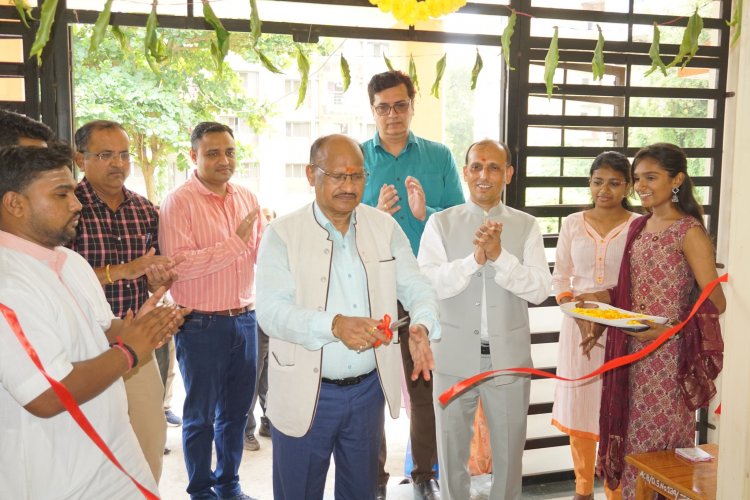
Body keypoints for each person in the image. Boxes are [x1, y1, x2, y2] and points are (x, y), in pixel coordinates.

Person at [256, 134, 440, 500]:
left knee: (361, 491)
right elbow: (271, 313)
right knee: (298, 491)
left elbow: (417, 285)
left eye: (357, 176)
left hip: (366, 392)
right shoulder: (283, 234)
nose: (348, 186)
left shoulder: (384, 227)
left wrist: (421, 322)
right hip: (307, 391)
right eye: (337, 176)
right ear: (312, 174)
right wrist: (334, 325)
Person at [0, 144, 187, 498]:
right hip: (58, 476)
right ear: (15, 204)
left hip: (113, 461)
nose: (77, 204)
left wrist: (148, 325)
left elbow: (102, 328)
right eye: (61, 194)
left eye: (73, 191)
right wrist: (129, 351)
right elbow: (46, 394)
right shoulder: (8, 285)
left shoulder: (70, 261)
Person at [576, 143, 726, 500]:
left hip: (667, 361)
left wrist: (671, 331)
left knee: (658, 451)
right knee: (633, 449)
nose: (641, 186)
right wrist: (598, 302)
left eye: (651, 178)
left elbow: (714, 302)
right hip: (633, 354)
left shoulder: (687, 231)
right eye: (638, 178)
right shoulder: (640, 226)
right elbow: (630, 289)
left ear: (676, 180)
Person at [417, 139, 552, 500]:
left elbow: (540, 289)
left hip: (508, 359)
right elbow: (427, 283)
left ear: (507, 174)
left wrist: (501, 257)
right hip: (452, 356)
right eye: (476, 166)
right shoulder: (440, 223)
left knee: (509, 456)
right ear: (464, 173)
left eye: (494, 167)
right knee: (451, 451)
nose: (483, 175)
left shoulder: (526, 225)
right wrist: (474, 261)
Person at [361, 69, 465, 500]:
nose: (392, 115)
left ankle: (424, 475)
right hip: (371, 288)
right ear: (373, 110)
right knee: (370, 387)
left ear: (412, 106)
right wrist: (372, 210)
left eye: (400, 105)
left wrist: (428, 212)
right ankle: (373, 480)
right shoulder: (356, 157)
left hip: (425, 289)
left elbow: (460, 219)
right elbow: (337, 220)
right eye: (383, 107)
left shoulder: (439, 155)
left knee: (425, 385)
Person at [69, 120, 179, 481]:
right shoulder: (66, 208)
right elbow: (57, 278)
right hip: (79, 347)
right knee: (86, 449)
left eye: (124, 155)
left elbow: (151, 276)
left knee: (149, 436)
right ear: (79, 158)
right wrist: (122, 270)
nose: (118, 164)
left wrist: (156, 278)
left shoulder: (145, 210)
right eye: (105, 155)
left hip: (138, 343)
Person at [159, 121, 263, 500]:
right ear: (194, 156)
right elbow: (179, 264)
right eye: (213, 153)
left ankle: (229, 483)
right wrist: (235, 244)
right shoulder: (179, 201)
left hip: (246, 318)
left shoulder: (246, 197)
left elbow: (262, 254)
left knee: (236, 414)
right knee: (201, 416)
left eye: (230, 152)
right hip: (201, 323)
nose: (224, 160)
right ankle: (200, 489)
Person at [550, 152, 639, 500]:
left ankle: (616, 491)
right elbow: (561, 279)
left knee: (619, 411)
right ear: (589, 182)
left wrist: (608, 318)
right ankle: (583, 489)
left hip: (622, 332)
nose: (605, 189)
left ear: (627, 186)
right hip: (577, 331)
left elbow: (637, 283)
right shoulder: (573, 222)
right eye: (598, 181)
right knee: (582, 409)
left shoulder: (638, 225)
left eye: (615, 183)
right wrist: (581, 317)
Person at [244, 207, 276, 452]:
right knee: (252, 375)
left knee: (269, 375)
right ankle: (246, 429)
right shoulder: (251, 248)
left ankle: (269, 421)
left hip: (270, 316)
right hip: (252, 313)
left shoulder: (275, 246)